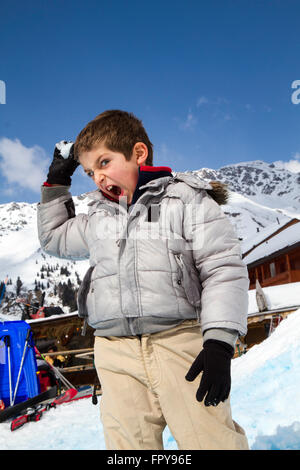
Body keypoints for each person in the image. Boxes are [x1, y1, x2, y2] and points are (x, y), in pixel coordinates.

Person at [37, 110, 249, 450]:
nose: (98, 178)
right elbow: (54, 238)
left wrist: (220, 341)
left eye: (104, 162)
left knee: (209, 441)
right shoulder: (98, 216)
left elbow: (222, 269)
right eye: (91, 172)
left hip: (178, 342)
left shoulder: (184, 200)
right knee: (128, 448)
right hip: (114, 350)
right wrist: (57, 182)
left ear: (138, 153)